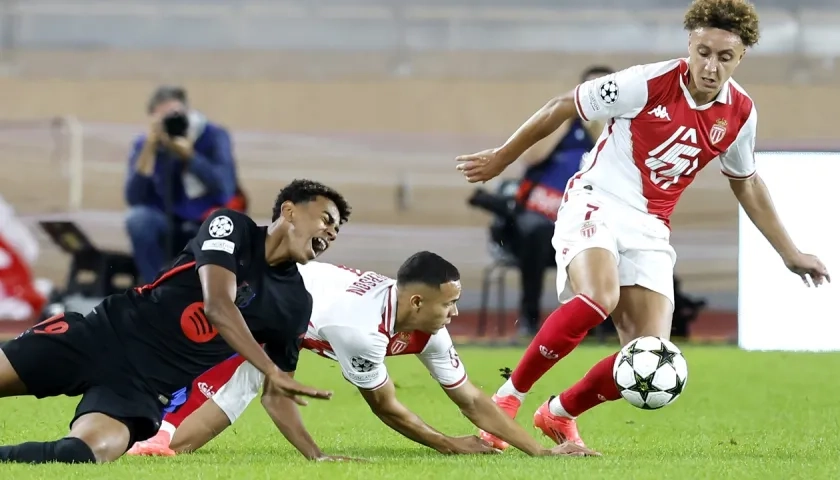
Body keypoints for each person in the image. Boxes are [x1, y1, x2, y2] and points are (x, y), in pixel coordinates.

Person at [455, 0, 829, 450]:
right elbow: (563, 105)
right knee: (598, 297)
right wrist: (501, 158)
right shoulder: (645, 82)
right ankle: (506, 399)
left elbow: (747, 184)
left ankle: (558, 413)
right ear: (690, 43)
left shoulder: (741, 114)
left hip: (651, 226)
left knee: (650, 358)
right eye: (704, 52)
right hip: (597, 200)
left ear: (741, 56)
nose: (711, 66)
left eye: (724, 57)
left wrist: (790, 252)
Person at [0, 179, 352, 464]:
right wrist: (269, 368)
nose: (331, 234)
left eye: (336, 231)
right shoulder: (230, 226)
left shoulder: (294, 304)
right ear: (289, 210)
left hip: (142, 389)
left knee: (83, 452)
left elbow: (277, 397)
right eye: (326, 220)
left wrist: (316, 455)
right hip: (99, 336)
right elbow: (218, 305)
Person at [126, 255, 597, 459]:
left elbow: (471, 399)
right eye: (449, 303)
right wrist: (450, 444)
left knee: (180, 447)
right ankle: (129, 423)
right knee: (176, 423)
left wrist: (540, 453)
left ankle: (138, 434)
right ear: (417, 302)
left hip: (287, 322)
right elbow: (386, 407)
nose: (455, 313)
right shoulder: (362, 330)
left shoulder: (424, 325)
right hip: (256, 302)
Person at [510, 65, 614, 336]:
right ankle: (529, 318)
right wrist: (567, 118)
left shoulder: (619, 131)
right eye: (590, 90)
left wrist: (597, 128)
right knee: (534, 232)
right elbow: (531, 157)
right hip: (544, 213)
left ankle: (598, 324)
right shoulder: (561, 122)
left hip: (591, 216)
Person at [125, 85, 242, 284]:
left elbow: (225, 188)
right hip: (164, 218)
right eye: (165, 119)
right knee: (138, 219)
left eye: (176, 116)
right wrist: (149, 149)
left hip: (204, 217)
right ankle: (154, 288)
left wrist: (190, 156)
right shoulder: (146, 144)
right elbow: (134, 198)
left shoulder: (212, 135)